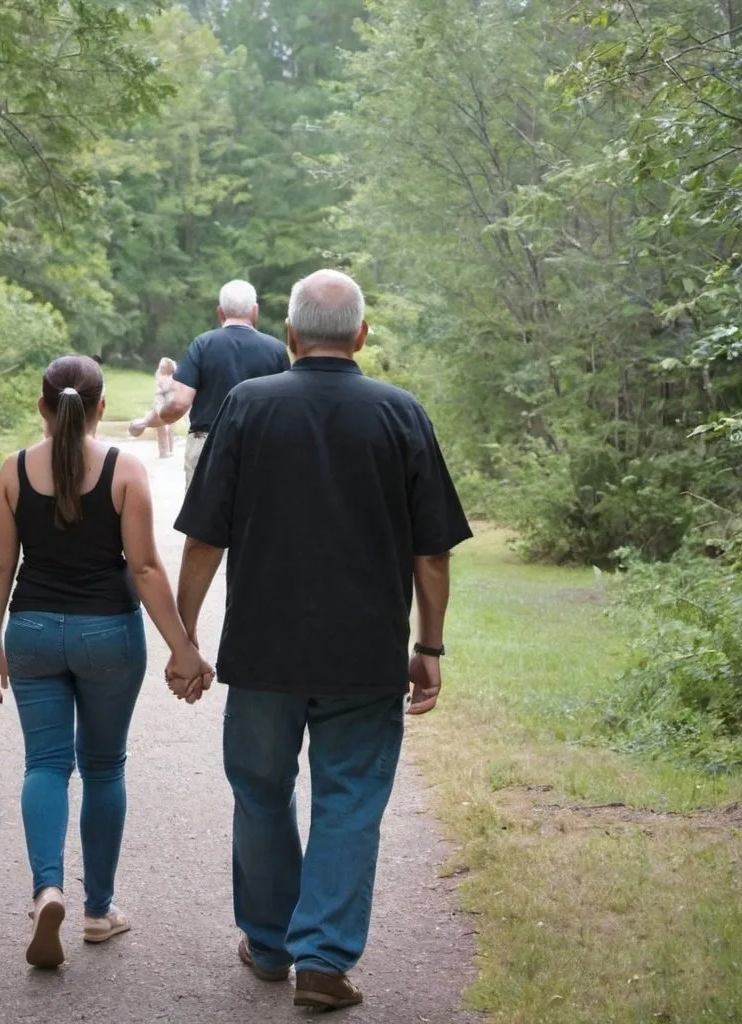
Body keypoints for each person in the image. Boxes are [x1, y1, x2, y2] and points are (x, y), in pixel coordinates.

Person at [168, 270, 472, 1009]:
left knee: (262, 793)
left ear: (293, 338)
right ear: (361, 336)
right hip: (365, 658)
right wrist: (428, 648)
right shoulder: (402, 413)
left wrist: (185, 638)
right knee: (349, 801)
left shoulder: (246, 407)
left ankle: (270, 945)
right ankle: (325, 961)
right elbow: (431, 555)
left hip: (264, 654)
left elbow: (204, 540)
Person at [0, 354, 213, 969]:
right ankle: (98, 911)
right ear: (101, 408)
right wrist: (182, 647)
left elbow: (1, 567)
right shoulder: (123, 470)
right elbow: (143, 567)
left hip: (29, 631)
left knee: (46, 763)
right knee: (104, 767)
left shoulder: (12, 472)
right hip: (107, 634)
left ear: (42, 407)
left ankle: (47, 889)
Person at [128, 280, 290, 487]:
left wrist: (147, 421)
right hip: (260, 448)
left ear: (220, 312)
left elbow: (177, 404)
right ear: (254, 311)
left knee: (204, 518)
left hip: (209, 446)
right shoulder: (276, 350)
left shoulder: (202, 345)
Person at [152, 357, 177, 458]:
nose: (160, 368)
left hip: (169, 403)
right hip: (159, 403)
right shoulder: (159, 376)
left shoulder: (172, 378)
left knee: (169, 428)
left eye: (163, 367)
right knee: (160, 427)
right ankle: (162, 450)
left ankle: (169, 449)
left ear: (169, 368)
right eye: (160, 366)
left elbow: (165, 388)